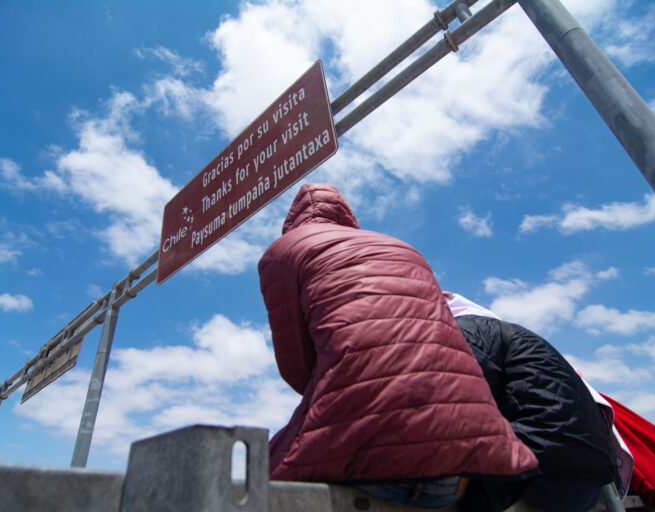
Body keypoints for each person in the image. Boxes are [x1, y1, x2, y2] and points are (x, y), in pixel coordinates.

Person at [258, 183, 538, 509]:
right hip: (460, 465)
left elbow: (297, 366)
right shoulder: (404, 247)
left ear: (293, 219)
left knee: (258, 478)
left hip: (371, 457)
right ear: (346, 215)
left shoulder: (283, 252)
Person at [444, 291, 619, 512]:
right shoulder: (513, 333)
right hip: (586, 481)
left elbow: (462, 403)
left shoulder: (470, 331)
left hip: (545, 478)